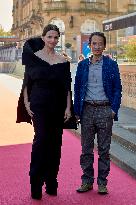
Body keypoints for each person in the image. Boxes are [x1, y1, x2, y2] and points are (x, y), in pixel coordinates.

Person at [16, 24, 72, 200]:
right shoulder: (33, 58)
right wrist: (26, 103)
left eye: (56, 37)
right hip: (39, 104)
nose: (53, 40)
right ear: (43, 38)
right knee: (41, 141)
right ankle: (36, 184)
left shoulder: (63, 61)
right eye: (50, 37)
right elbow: (27, 83)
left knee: (55, 144)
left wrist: (68, 107)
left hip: (57, 106)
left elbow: (67, 87)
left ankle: (51, 182)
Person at [74, 32, 122, 194]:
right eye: (94, 43)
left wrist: (113, 110)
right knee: (86, 149)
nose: (97, 46)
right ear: (89, 45)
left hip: (105, 110)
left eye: (100, 43)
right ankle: (87, 181)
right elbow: (78, 88)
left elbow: (117, 89)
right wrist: (77, 111)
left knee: (104, 150)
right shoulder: (82, 66)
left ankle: (102, 183)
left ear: (104, 46)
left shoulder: (111, 64)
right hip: (86, 110)